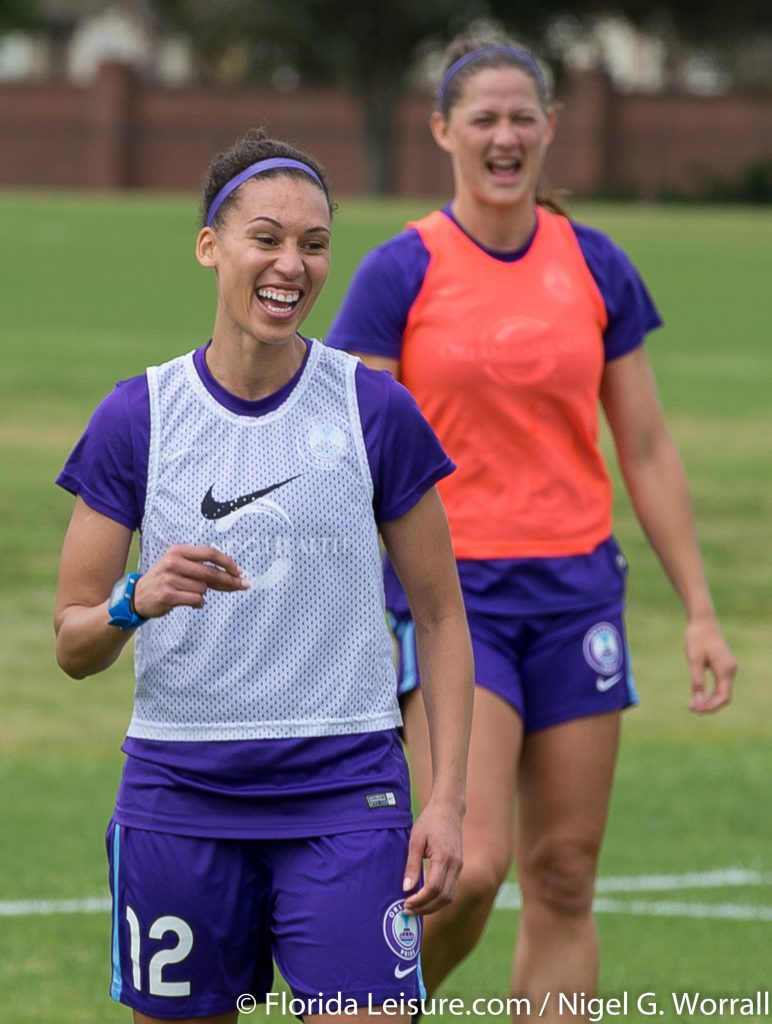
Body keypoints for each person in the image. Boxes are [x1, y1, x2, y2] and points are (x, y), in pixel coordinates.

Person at [325, 35, 738, 1022]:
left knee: (562, 872)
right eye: (483, 118)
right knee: (464, 867)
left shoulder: (595, 264)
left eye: (522, 118)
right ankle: (355, 1010)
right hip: (452, 602)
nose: (504, 136)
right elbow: (358, 461)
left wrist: (699, 610)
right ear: (442, 132)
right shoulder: (401, 270)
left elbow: (642, 445)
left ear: (549, 130)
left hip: (576, 596)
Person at [54, 128, 474, 1024]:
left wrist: (447, 799)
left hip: (346, 792)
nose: (293, 264)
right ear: (211, 246)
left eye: (315, 244)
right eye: (268, 237)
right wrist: (136, 597)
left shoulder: (373, 409)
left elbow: (440, 617)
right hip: (180, 795)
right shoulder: (140, 418)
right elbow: (72, 642)